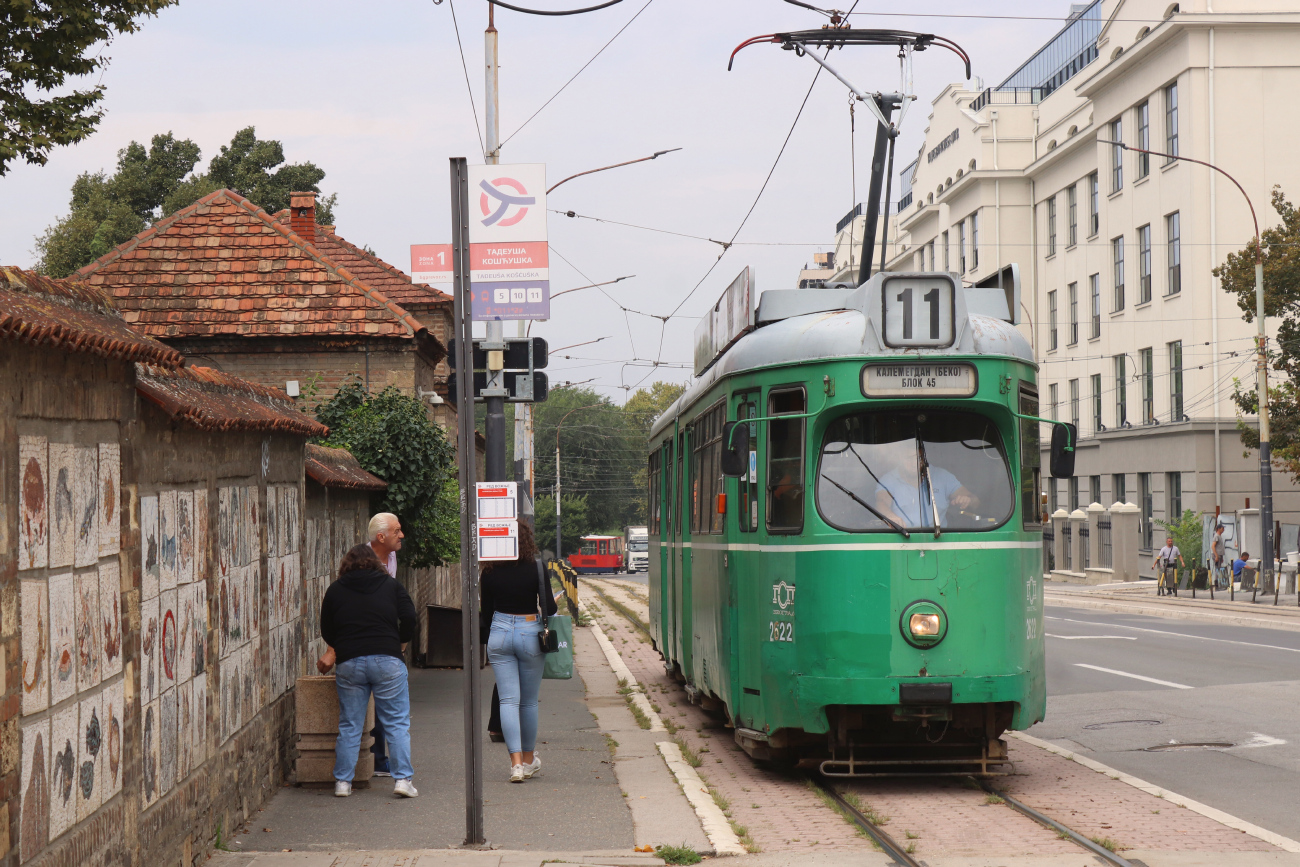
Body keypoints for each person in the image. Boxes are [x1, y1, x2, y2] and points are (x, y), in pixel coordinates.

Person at [319, 544, 419, 799]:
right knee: (396, 722)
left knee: (350, 724)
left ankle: (343, 782)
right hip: (387, 658)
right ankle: (402, 780)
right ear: (375, 563)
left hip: (350, 662)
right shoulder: (391, 585)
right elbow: (410, 617)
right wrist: (401, 642)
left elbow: (326, 628)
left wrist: (341, 646)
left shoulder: (335, 589)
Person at [480, 522, 557, 783]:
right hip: (528, 632)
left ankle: (515, 765)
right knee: (529, 702)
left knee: (507, 701)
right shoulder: (536, 567)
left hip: (499, 633)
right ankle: (527, 759)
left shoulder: (489, 570)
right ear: (526, 541)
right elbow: (552, 609)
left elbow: (486, 613)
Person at [875, 438, 977, 529]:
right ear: (900, 459)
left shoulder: (943, 476)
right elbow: (881, 503)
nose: (914, 463)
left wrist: (967, 500)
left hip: (938, 539)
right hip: (901, 538)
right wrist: (890, 516)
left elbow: (976, 502)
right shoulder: (889, 479)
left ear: (925, 458)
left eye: (918, 458)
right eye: (908, 458)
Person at [1210, 524, 1228, 590]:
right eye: (1222, 528)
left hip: (1219, 555)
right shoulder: (1216, 536)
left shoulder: (1219, 536)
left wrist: (1221, 557)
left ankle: (1218, 584)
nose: (1223, 529)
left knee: (1219, 569)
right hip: (1216, 555)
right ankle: (1217, 585)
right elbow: (1213, 546)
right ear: (1218, 529)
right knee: (1217, 569)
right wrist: (1216, 556)